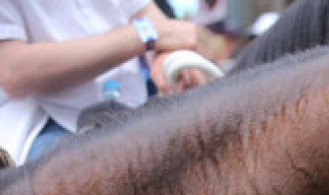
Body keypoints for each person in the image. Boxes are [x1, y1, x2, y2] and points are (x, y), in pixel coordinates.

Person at [0, 0, 206, 165]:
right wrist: (146, 35)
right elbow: (14, 72)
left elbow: (151, 18)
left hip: (133, 111)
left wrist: (169, 55)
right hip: (51, 121)